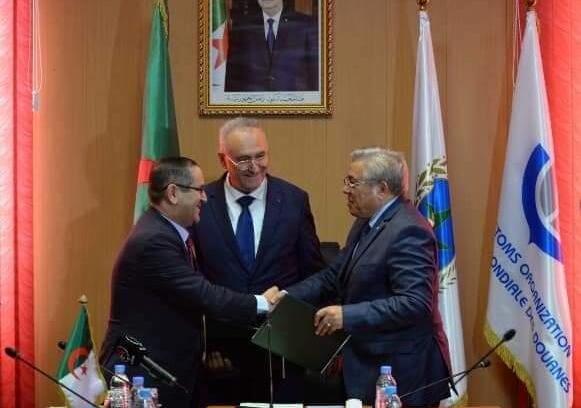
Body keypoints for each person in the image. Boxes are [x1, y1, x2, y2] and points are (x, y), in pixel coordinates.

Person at [268, 147, 453, 407]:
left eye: (353, 182)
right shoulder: (367, 221)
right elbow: (333, 276)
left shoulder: (409, 230)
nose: (345, 189)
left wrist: (346, 315)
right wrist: (286, 296)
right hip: (367, 364)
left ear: (382, 189)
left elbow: (414, 303)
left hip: (402, 373)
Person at [99, 157, 274, 408]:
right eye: (199, 190)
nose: (205, 198)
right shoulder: (154, 241)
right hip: (142, 373)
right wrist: (262, 303)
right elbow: (204, 295)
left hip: (166, 369)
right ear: (173, 193)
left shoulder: (168, 233)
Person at [193, 117, 325, 403]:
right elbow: (193, 279)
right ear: (223, 159)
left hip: (282, 354)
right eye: (243, 159)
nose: (254, 167)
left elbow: (314, 273)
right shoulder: (200, 204)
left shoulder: (294, 200)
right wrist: (204, 345)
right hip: (220, 357)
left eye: (260, 156)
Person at [225, 0, 319, 92]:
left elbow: (315, 75)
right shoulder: (242, 27)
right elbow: (233, 77)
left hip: (294, 102)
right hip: (253, 102)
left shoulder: (306, 25)